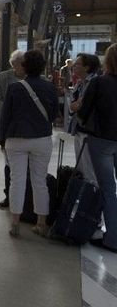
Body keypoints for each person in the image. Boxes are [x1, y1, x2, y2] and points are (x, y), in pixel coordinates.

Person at [0, 50, 58, 238]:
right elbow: (54, 115)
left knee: (16, 180)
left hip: (16, 139)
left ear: (24, 66)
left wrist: (2, 139)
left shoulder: (15, 88)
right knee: (39, 181)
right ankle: (41, 223)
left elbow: (5, 117)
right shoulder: (50, 87)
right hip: (41, 139)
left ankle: (15, 223)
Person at [77, 44, 117, 253]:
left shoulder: (100, 83)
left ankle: (112, 238)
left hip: (102, 140)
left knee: (108, 189)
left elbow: (83, 113)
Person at [0, 50, 25, 209]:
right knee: (9, 164)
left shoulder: (35, 78)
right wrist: (4, 118)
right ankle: (8, 195)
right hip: (8, 128)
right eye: (17, 64)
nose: (19, 67)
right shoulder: (4, 77)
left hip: (27, 130)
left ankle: (24, 199)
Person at [67, 53, 101, 183]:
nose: (74, 66)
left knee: (89, 169)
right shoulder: (81, 83)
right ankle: (84, 198)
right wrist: (76, 105)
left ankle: (92, 198)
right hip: (79, 128)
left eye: (78, 64)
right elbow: (73, 105)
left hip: (88, 130)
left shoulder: (94, 83)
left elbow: (83, 106)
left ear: (87, 67)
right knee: (81, 168)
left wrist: (77, 106)